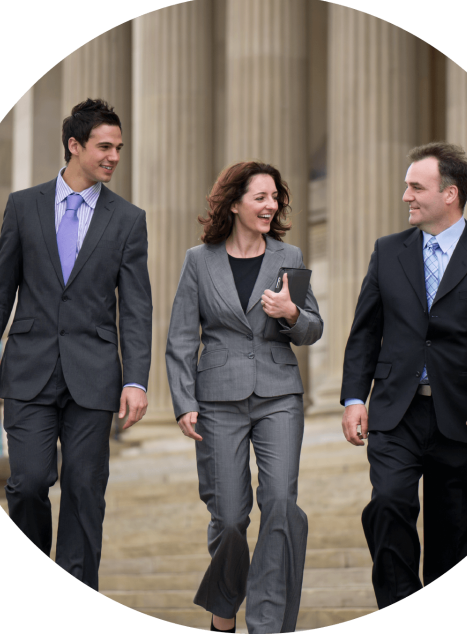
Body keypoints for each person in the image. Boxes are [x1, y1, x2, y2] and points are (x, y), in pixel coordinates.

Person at [0, 99, 153, 591]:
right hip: (29, 369)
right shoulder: (23, 206)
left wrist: (135, 378)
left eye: (118, 148)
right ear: (74, 145)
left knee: (85, 490)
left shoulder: (129, 220)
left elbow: (136, 308)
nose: (114, 156)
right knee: (27, 484)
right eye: (104, 147)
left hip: (94, 377)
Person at [340, 143, 467, 608]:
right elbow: (365, 331)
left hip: (464, 415)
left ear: (450, 194)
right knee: (388, 504)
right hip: (396, 412)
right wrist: (353, 398)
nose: (405, 195)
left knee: (459, 537)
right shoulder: (387, 252)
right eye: (407, 185)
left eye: (415, 186)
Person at [166, 162, 323, 634]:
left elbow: (313, 329)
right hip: (216, 400)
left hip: (279, 395)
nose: (271, 205)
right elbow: (178, 339)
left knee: (279, 502)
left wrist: (292, 312)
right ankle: (224, 606)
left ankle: (268, 624)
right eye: (260, 197)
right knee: (231, 517)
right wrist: (183, 400)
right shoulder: (199, 260)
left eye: (275, 197)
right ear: (234, 203)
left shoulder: (288, 254)